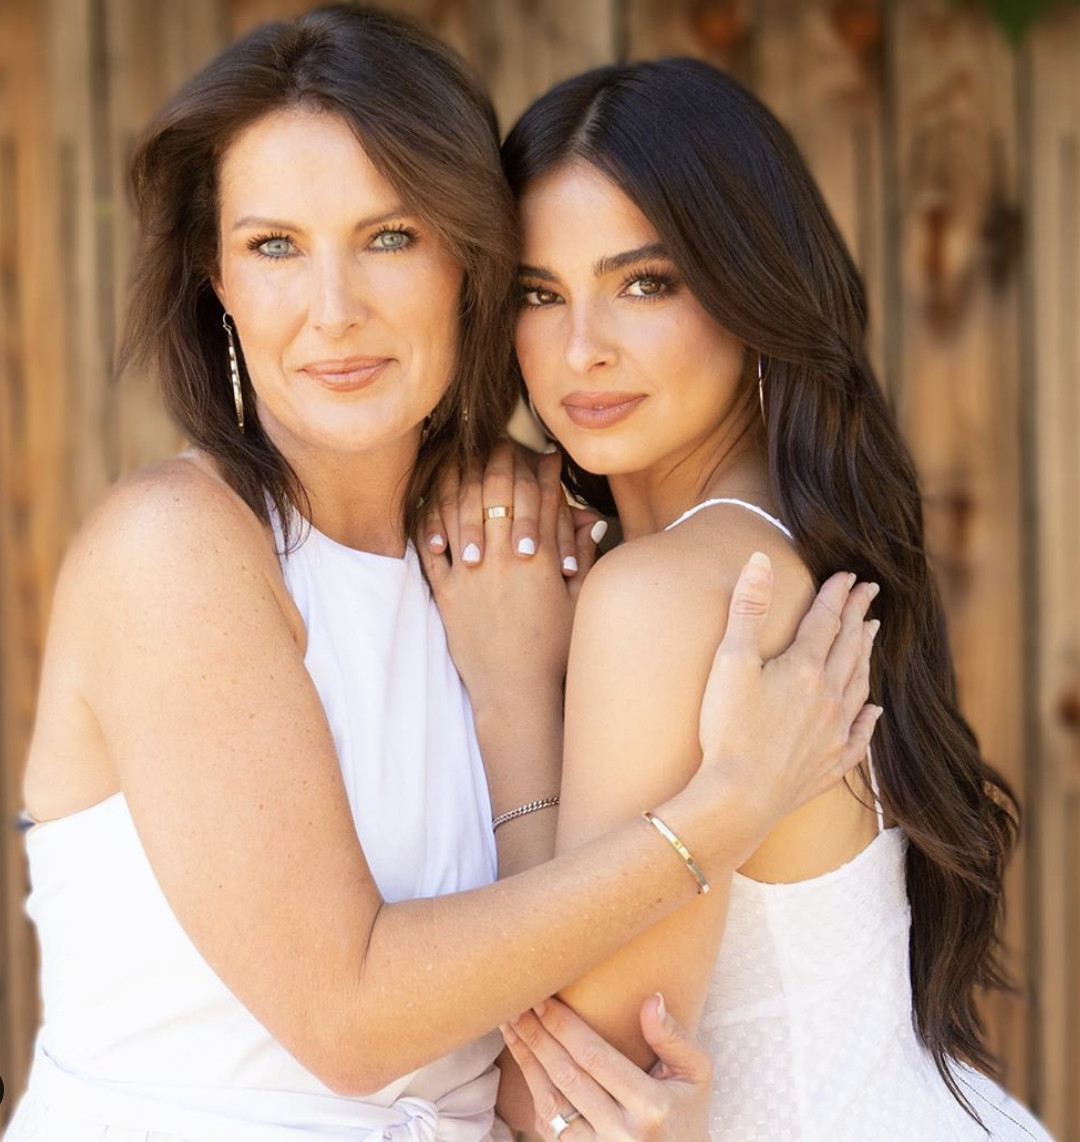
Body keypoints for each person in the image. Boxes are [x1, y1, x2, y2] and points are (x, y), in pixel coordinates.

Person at [2, 10, 879, 1142]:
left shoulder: (519, 552)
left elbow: (555, 1049)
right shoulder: (171, 550)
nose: (334, 311)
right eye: (274, 247)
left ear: (468, 260)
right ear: (217, 279)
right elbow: (348, 1017)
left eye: (388, 236)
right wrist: (721, 815)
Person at [440, 57, 1052, 1140]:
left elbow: (564, 1107)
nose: (582, 348)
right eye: (540, 294)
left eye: (646, 283)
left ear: (750, 287)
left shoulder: (674, 595)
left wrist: (509, 691)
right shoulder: (787, 535)